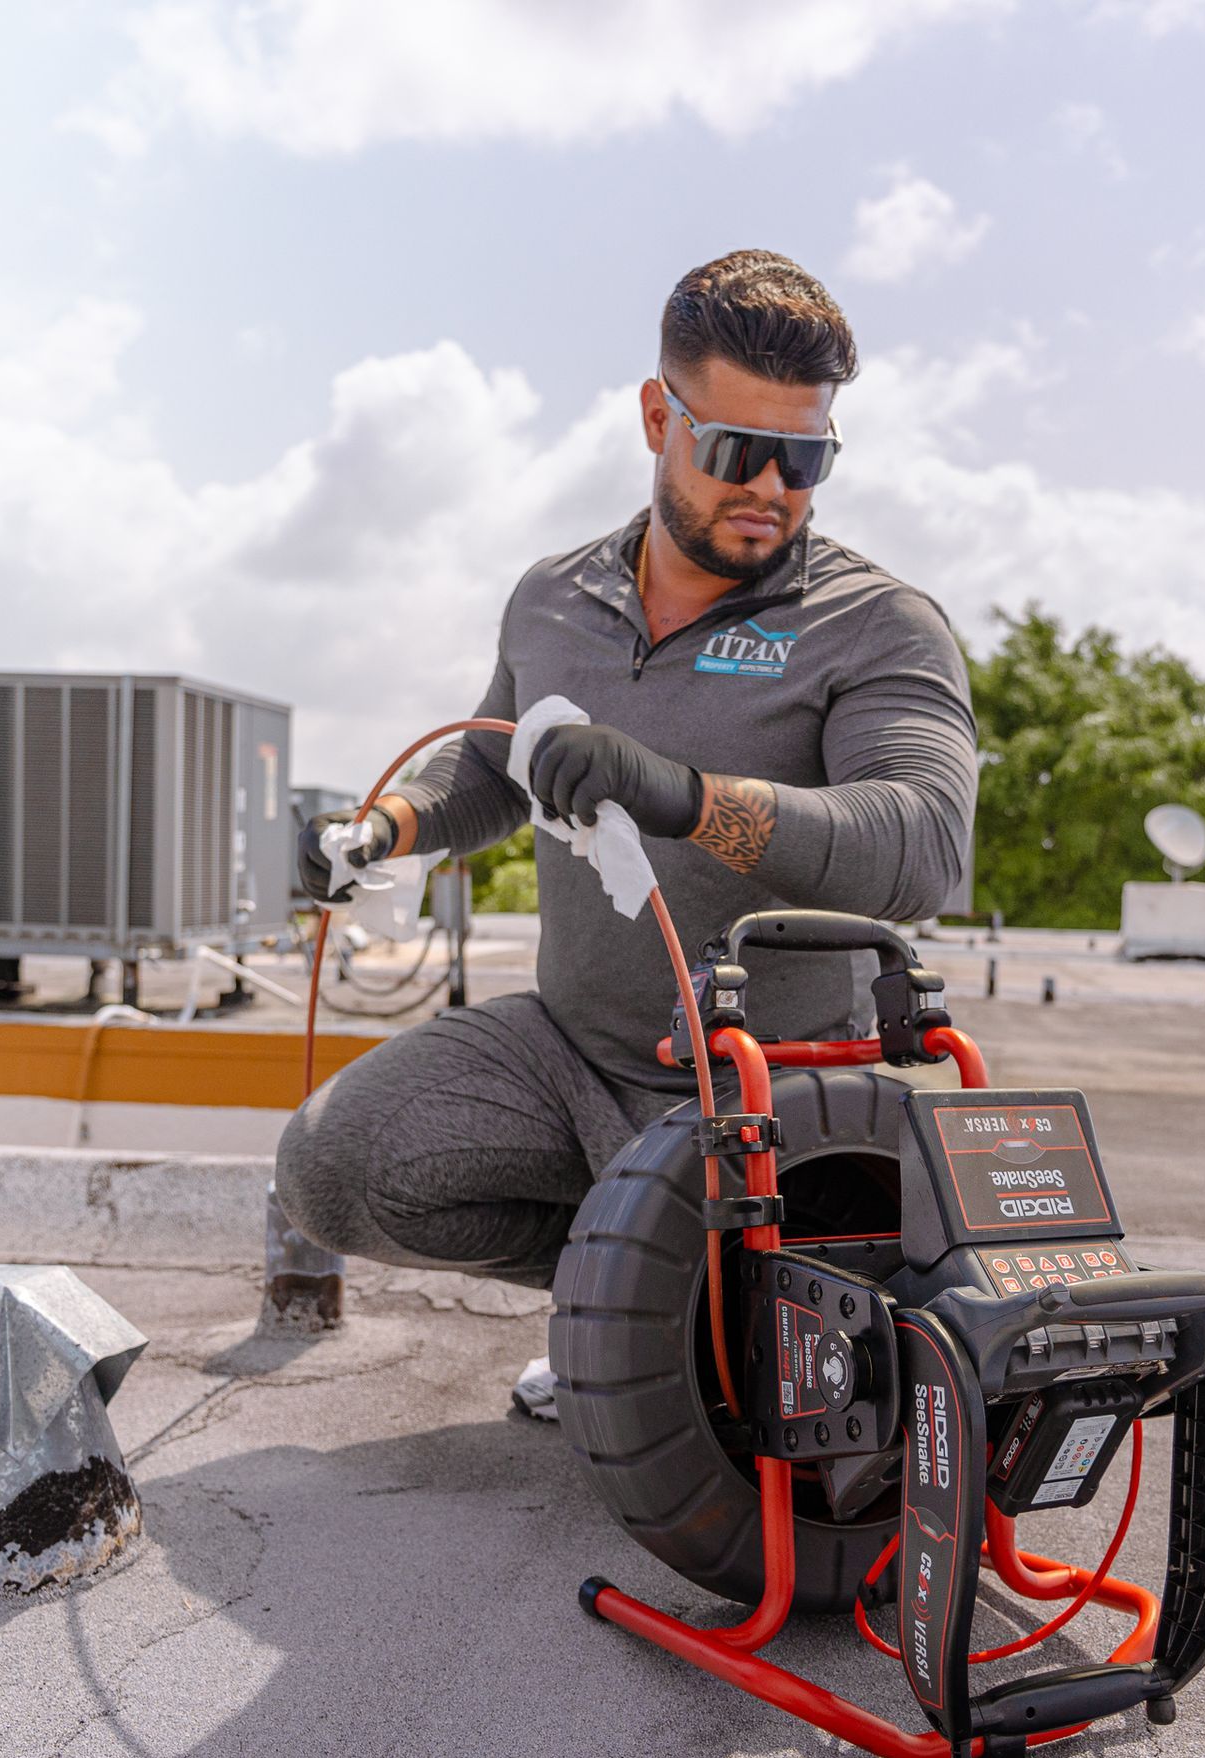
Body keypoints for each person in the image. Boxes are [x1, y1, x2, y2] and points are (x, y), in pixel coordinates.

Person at [278, 249, 978, 1416]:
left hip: (768, 1090)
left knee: (768, 1403)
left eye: (804, 459)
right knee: (334, 1167)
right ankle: (627, 1303)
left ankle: (663, 1321)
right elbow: (502, 759)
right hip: (571, 1053)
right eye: (733, 449)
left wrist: (687, 796)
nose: (769, 486)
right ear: (660, 415)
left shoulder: (878, 625)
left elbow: (920, 845)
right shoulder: (553, 597)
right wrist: (385, 824)